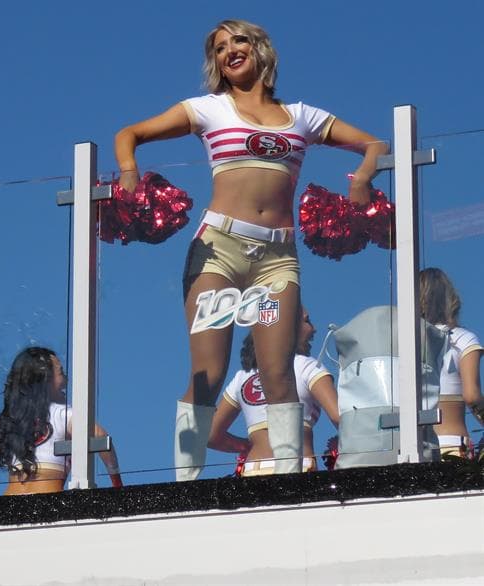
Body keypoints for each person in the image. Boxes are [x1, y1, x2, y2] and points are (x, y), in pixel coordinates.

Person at [114, 19, 388, 479]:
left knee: (278, 371)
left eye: (237, 41)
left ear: (260, 50)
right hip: (218, 253)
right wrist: (128, 173)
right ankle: (185, 479)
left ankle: (286, 477)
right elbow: (131, 134)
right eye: (219, 49)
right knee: (209, 373)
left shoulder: (303, 115)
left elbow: (376, 144)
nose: (228, 52)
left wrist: (361, 179)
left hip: (276, 261)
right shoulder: (207, 109)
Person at [0, 347, 122, 497]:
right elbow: (100, 437)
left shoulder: (9, 421)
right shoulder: (64, 414)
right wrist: (117, 485)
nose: (66, 378)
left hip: (7, 512)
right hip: (47, 509)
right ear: (45, 379)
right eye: (61, 372)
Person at [208, 309, 339, 476]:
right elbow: (340, 417)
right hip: (297, 470)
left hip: (251, 473)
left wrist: (246, 446)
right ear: (287, 328)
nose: (313, 329)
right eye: (307, 321)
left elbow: (211, 435)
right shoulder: (307, 366)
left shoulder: (242, 377)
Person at [418, 268, 484, 458]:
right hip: (453, 448)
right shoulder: (463, 339)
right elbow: (472, 396)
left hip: (411, 450)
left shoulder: (405, 345)